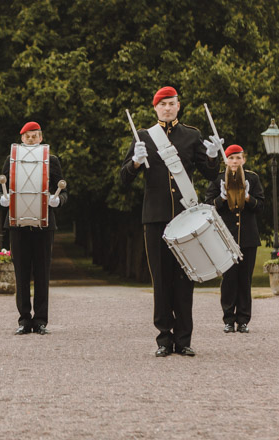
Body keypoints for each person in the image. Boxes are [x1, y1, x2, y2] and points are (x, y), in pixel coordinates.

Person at [120, 87, 220, 357]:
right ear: (155, 108)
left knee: (185, 278)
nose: (167, 108)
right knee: (161, 280)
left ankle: (184, 339)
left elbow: (210, 173)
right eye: (162, 104)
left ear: (179, 106)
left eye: (171, 103)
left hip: (185, 218)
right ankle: (164, 339)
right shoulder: (143, 137)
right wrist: (136, 163)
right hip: (156, 219)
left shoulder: (192, 135)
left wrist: (212, 155)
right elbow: (123, 179)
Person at [0, 122, 68, 336]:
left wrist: (59, 201)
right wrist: (2, 198)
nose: (31, 139)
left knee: (42, 273)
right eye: (27, 136)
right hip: (17, 224)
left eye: (34, 136)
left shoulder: (52, 161)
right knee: (21, 273)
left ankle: (41, 321)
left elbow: (64, 191)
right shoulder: (11, 160)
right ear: (21, 138)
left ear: (41, 138)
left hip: (44, 225)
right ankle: (24, 320)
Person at [204, 144, 265, 334]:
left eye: (238, 158)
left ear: (243, 160)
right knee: (229, 280)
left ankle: (243, 320)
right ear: (225, 160)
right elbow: (208, 206)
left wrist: (248, 198)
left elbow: (261, 205)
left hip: (247, 237)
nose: (235, 161)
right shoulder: (218, 179)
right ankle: (228, 319)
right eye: (231, 158)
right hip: (226, 237)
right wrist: (221, 199)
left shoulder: (253, 178)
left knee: (245, 280)